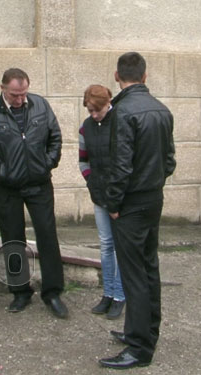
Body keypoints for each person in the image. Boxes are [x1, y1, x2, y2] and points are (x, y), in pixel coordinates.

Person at [0, 68, 68, 318]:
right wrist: (0, 173)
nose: (20, 99)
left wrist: (47, 162)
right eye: (15, 95)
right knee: (13, 240)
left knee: (47, 237)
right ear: (3, 88)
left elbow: (55, 138)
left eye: (23, 94)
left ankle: (53, 293)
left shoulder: (41, 106)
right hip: (7, 188)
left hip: (39, 184)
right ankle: (20, 292)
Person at [99, 52, 176, 369]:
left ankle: (139, 348)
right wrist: (153, 183)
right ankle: (144, 333)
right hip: (152, 198)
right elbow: (169, 161)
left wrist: (114, 204)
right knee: (148, 268)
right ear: (144, 76)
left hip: (131, 204)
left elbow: (121, 165)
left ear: (117, 75)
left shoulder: (123, 111)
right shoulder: (161, 109)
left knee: (134, 275)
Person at [79, 85, 125, 320]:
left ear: (108, 103)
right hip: (99, 195)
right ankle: (107, 293)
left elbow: (125, 162)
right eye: (90, 111)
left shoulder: (121, 122)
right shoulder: (86, 127)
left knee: (120, 247)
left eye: (97, 110)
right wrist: (92, 183)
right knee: (106, 244)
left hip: (120, 197)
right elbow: (83, 161)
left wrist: (116, 195)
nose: (94, 115)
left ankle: (120, 295)